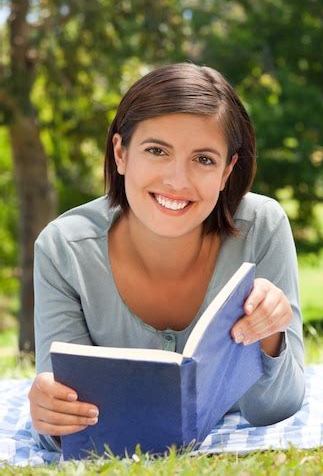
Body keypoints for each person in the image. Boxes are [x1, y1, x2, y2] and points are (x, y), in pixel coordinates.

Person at [29, 63, 305, 452]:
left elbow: (275, 408)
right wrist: (51, 418)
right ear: (121, 153)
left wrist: (270, 335)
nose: (178, 181)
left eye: (204, 159)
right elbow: (65, 426)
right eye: (157, 151)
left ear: (228, 171)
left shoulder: (263, 227)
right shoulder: (63, 250)